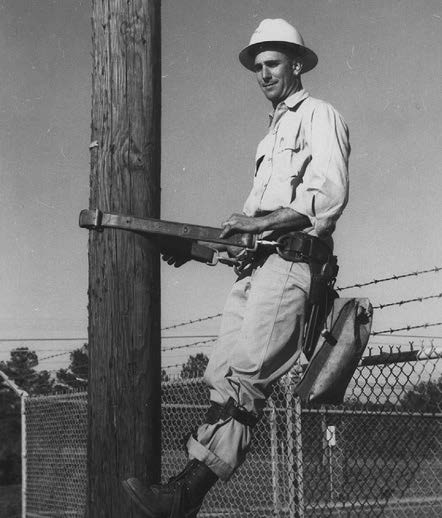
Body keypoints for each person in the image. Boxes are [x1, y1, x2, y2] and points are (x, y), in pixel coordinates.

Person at [123, 18, 350, 518]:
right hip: (257, 268)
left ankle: (184, 495)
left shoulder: (319, 115)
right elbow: (251, 235)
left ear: (296, 64)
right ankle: (182, 493)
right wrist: (203, 249)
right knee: (221, 374)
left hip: (292, 264)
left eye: (272, 64)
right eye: (257, 67)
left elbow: (325, 198)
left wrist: (257, 221)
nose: (264, 74)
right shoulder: (268, 136)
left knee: (246, 378)